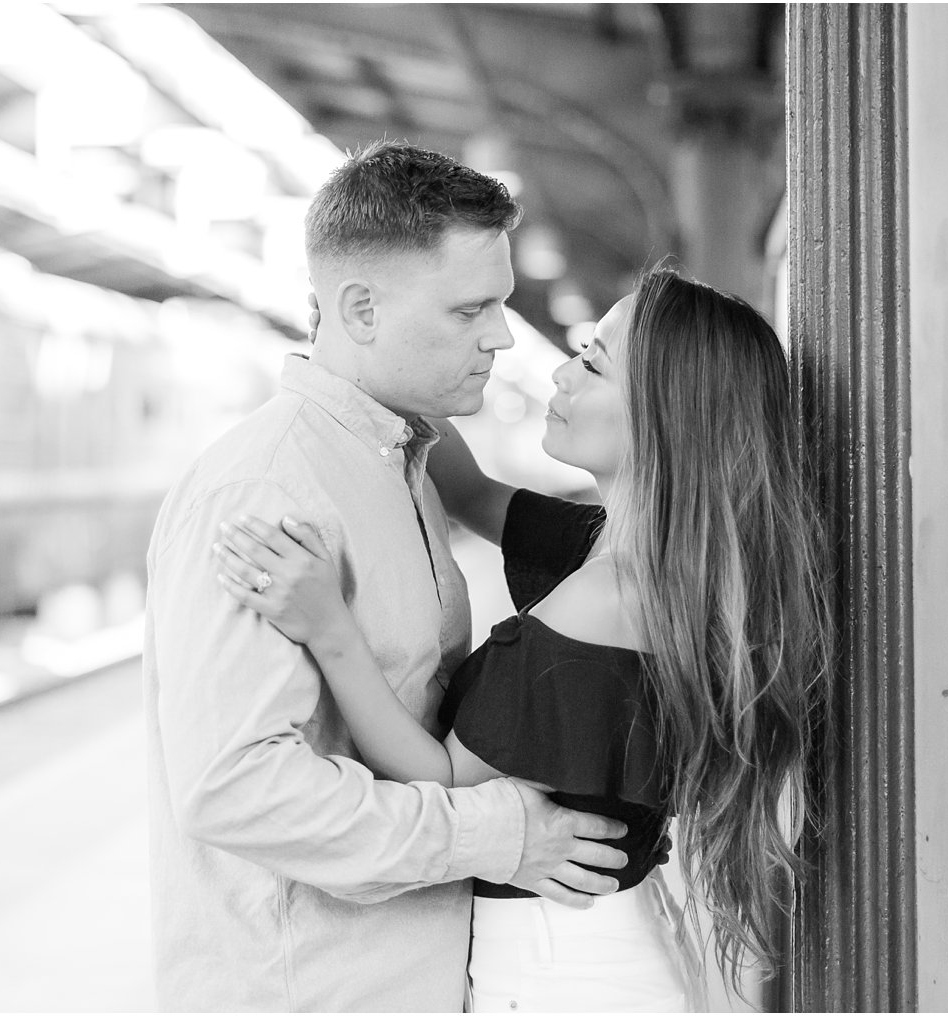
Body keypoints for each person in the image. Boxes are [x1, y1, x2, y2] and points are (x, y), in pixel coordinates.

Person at [214, 268, 831, 1011]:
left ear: (667, 416)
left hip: (559, 968)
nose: (563, 375)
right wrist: (363, 367)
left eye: (595, 363)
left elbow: (436, 778)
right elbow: (474, 494)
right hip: (592, 944)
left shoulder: (608, 596)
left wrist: (328, 627)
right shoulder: (640, 558)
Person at [144, 140, 631, 1013]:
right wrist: (497, 835)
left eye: (503, 305)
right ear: (361, 308)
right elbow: (239, 791)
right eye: (469, 310)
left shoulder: (401, 459)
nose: (502, 337)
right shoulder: (268, 492)